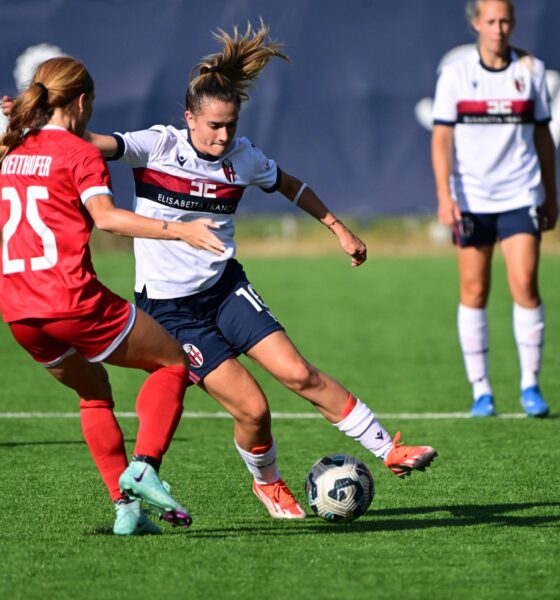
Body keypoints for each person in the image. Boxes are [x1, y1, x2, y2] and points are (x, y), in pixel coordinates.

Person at [84, 21, 437, 519]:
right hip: (171, 312)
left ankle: (388, 449)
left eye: (231, 124)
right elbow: (87, 143)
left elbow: (291, 185)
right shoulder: (156, 146)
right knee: (253, 409)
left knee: (298, 372)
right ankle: (268, 485)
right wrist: (27, 126)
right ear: (189, 117)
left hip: (226, 289)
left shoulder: (243, 158)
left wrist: (338, 228)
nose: (223, 134)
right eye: (213, 126)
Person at [0, 57, 225, 535]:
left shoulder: (11, 146)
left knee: (94, 392)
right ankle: (144, 469)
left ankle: (126, 512)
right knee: (172, 363)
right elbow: (106, 217)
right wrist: (177, 230)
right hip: (70, 300)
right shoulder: (80, 153)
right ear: (82, 102)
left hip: (19, 311)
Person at [431, 0, 558, 417]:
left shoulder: (531, 71)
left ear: (513, 24)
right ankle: (481, 391)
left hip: (520, 194)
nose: (499, 28)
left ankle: (530, 386)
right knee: (475, 290)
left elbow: (542, 136)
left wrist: (551, 194)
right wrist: (446, 197)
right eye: (491, 21)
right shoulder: (456, 74)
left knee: (524, 284)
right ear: (475, 24)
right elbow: (442, 139)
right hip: (472, 200)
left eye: (505, 20)